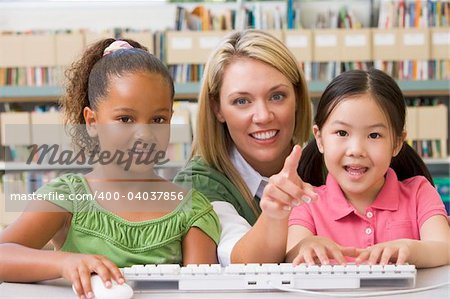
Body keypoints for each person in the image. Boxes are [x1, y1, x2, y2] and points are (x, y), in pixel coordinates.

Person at [0, 39, 220, 298]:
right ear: (92, 122)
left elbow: (202, 292)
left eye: (158, 119)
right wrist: (64, 263)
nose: (144, 134)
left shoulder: (192, 210)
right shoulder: (67, 198)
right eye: (125, 119)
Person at [174, 29, 318, 265]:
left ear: (298, 98)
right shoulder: (198, 183)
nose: (262, 116)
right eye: (242, 101)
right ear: (217, 108)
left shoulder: (329, 163)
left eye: (277, 96)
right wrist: (275, 212)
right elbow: (240, 260)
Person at [284, 69, 450, 268]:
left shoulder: (419, 193)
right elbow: (290, 256)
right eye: (342, 132)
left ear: (397, 143)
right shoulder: (307, 201)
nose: (356, 150)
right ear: (319, 139)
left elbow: (444, 248)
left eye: (374, 135)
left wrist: (409, 249)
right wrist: (306, 246)